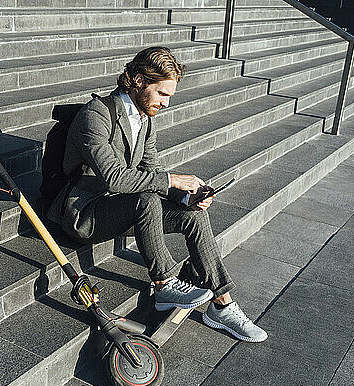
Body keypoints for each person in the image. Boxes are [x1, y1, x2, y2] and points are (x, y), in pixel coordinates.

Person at [47, 47, 267, 342]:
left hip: (120, 206)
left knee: (193, 216)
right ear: (138, 80)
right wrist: (173, 181)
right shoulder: (96, 115)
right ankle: (163, 283)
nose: (165, 103)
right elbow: (115, 178)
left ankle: (222, 304)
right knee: (147, 200)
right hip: (83, 213)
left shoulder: (144, 119)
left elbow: (151, 172)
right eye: (162, 94)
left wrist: (186, 198)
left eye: (169, 97)